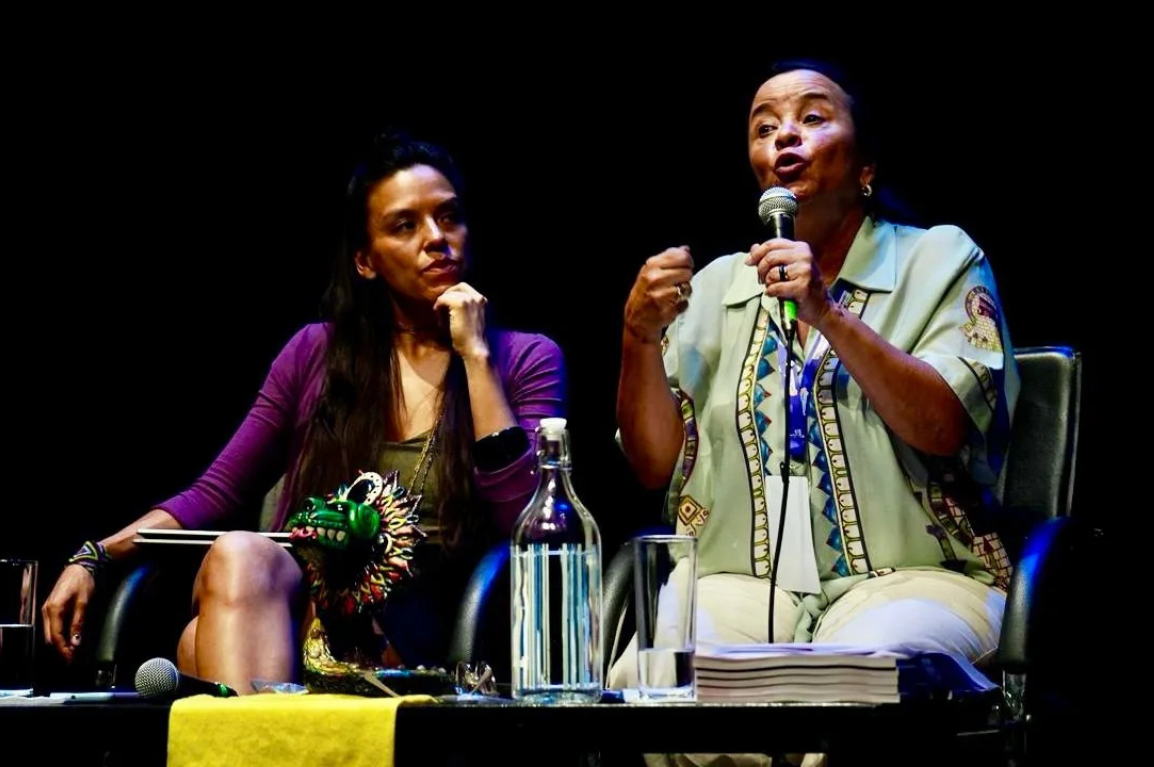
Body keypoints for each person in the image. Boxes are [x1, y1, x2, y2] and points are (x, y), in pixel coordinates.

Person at [41, 130, 567, 694]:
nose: (436, 239)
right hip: (306, 623)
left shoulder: (524, 359)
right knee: (239, 553)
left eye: (449, 217)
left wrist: (476, 357)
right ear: (366, 260)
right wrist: (95, 556)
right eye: (404, 226)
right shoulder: (315, 354)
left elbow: (528, 526)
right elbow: (216, 492)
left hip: (441, 638)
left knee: (200, 643)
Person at [612, 58, 1018, 764]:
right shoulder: (717, 288)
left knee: (851, 678)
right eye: (764, 127)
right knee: (652, 679)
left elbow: (943, 425)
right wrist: (638, 336)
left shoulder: (939, 259)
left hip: (919, 578)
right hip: (736, 582)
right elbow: (652, 465)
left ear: (866, 165)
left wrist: (826, 313)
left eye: (812, 118)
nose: (785, 137)